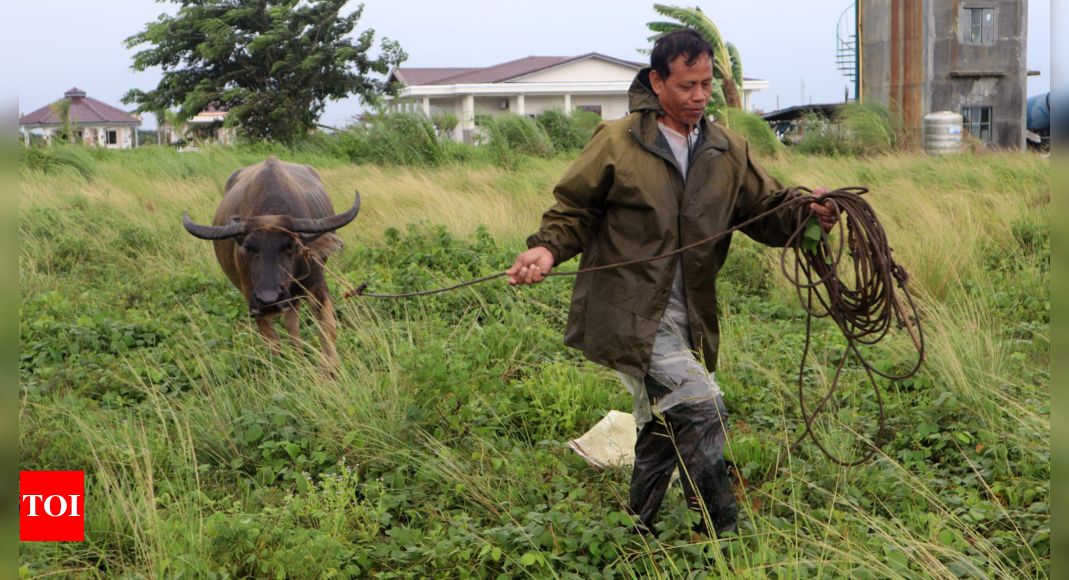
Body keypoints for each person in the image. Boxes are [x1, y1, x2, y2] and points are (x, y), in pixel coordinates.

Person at [506, 29, 838, 537]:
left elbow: (767, 212)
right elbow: (574, 210)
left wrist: (810, 216)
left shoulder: (727, 149)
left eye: (706, 84)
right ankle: (721, 535)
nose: (699, 96)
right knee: (703, 409)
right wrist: (547, 248)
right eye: (686, 85)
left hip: (692, 317)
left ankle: (637, 528)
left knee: (664, 422)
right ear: (656, 82)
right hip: (631, 311)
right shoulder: (617, 141)